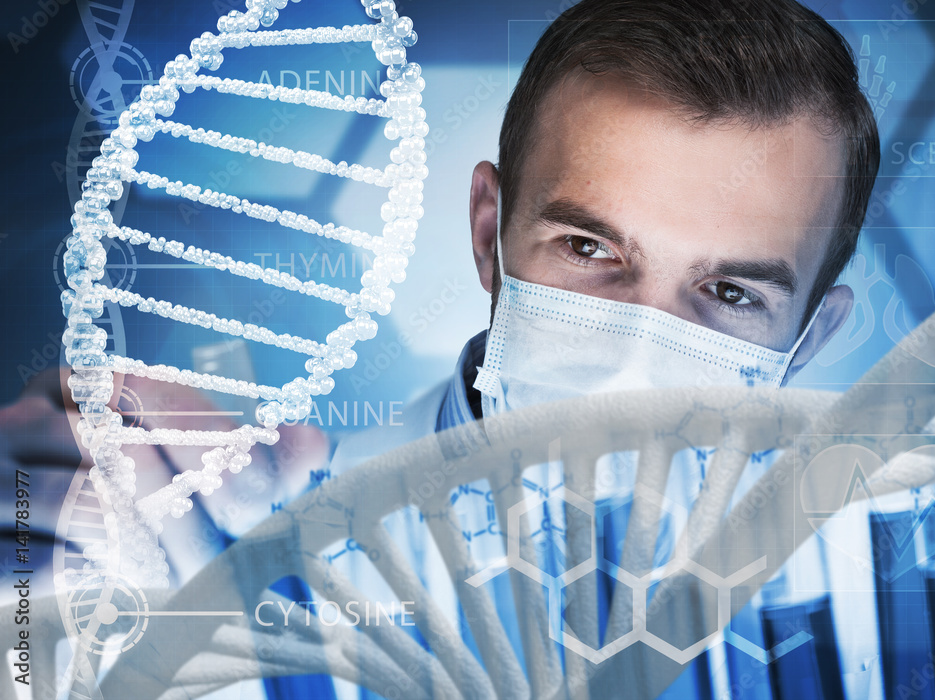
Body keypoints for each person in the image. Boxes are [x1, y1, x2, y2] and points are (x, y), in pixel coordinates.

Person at [1, 0, 879, 697]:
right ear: (488, 230)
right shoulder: (256, 550)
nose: (637, 358)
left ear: (809, 339)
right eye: (589, 250)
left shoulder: (898, 601)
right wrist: (31, 630)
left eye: (730, 294)